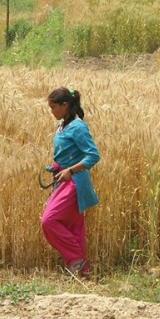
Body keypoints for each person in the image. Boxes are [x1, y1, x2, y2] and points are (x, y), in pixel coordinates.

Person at [41, 87, 100, 277]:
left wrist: (70, 170)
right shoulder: (62, 124)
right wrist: (57, 166)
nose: (52, 112)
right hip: (62, 179)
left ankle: (76, 259)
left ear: (65, 105)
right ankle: (82, 272)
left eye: (53, 108)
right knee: (73, 227)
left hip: (75, 182)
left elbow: (93, 155)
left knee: (48, 220)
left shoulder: (78, 126)